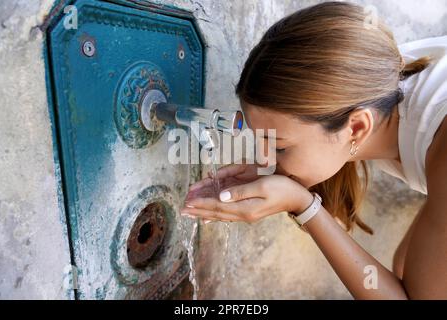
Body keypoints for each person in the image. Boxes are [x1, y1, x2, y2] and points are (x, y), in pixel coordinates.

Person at [180, 2, 447, 299]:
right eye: (263, 140)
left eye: (279, 147)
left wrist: (305, 206)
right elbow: (409, 275)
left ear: (357, 128)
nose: (265, 159)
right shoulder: (376, 78)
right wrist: (280, 170)